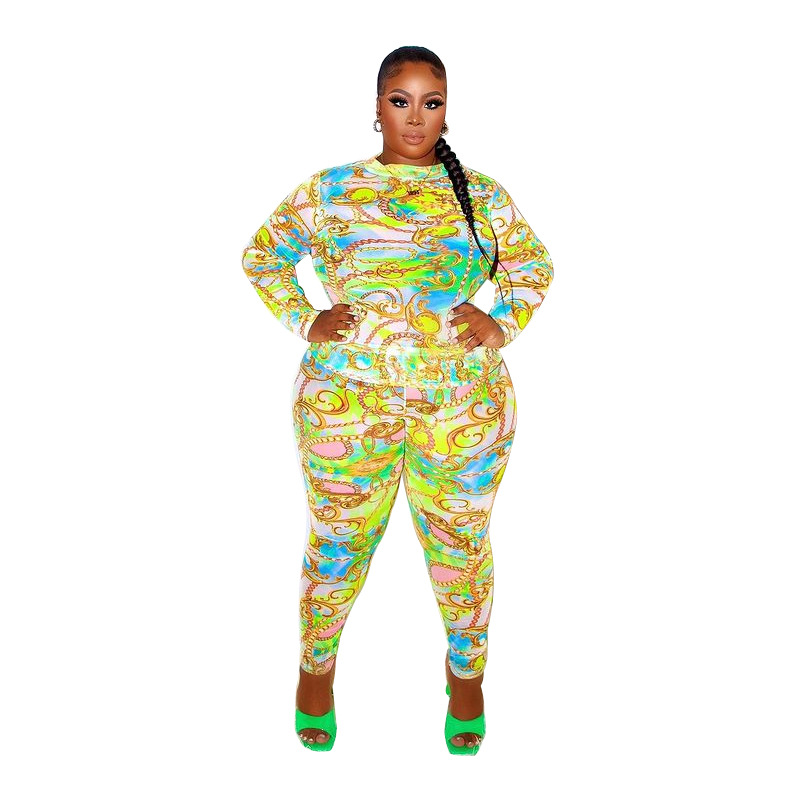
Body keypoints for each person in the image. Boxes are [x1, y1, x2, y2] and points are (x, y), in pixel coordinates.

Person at [241, 45, 554, 754]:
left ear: (447, 112)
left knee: (460, 544)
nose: (416, 117)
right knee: (340, 539)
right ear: (377, 107)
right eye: (401, 100)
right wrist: (306, 318)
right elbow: (262, 255)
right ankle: (315, 670)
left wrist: (501, 322)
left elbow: (533, 265)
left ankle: (466, 676)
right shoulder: (331, 190)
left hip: (464, 407)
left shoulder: (480, 193)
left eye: (431, 102)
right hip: (345, 405)